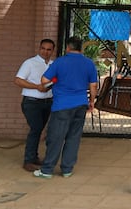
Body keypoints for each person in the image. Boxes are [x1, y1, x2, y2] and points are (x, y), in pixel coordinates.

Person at [33, 36, 98, 179]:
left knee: (56, 137)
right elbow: (93, 85)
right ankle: (67, 169)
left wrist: (56, 78)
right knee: (73, 137)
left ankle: (47, 170)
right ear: (81, 48)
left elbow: (44, 81)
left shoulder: (60, 62)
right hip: (81, 103)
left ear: (67, 48)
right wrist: (92, 101)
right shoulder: (89, 63)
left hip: (61, 105)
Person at [14, 38, 55, 172]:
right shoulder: (30, 63)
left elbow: (55, 79)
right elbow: (18, 80)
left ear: (52, 51)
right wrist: (36, 87)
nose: (45, 52)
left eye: (49, 49)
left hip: (47, 102)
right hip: (32, 102)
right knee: (35, 129)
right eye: (43, 48)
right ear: (39, 48)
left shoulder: (53, 64)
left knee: (38, 130)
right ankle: (28, 160)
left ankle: (34, 157)